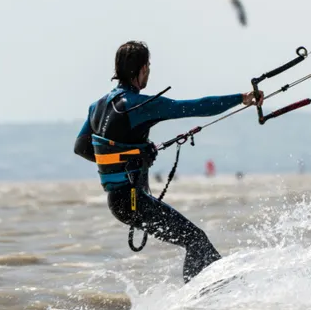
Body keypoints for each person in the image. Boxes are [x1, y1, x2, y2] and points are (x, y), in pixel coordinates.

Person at [74, 40, 263, 283]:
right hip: (133, 200)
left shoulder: (96, 106)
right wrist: (241, 98)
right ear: (142, 69)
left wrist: (128, 157)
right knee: (196, 240)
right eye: (148, 67)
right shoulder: (138, 105)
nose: (149, 72)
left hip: (119, 201)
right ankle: (206, 297)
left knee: (193, 240)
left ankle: (203, 295)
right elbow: (195, 107)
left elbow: (81, 148)